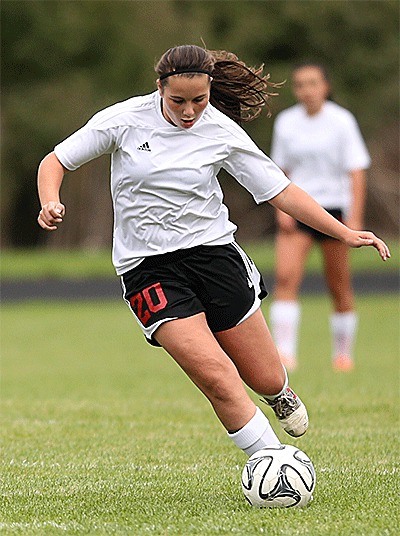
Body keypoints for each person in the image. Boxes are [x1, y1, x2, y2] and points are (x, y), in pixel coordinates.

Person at [37, 46, 390, 457]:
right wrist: (49, 200)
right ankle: (272, 461)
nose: (189, 112)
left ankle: (279, 394)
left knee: (266, 377)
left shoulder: (221, 130)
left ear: (210, 91)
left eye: (199, 101)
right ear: (159, 88)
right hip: (147, 269)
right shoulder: (124, 120)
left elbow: (280, 190)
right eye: (178, 101)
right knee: (217, 376)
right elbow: (56, 160)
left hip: (214, 256)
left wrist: (344, 232)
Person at [270, 62, 374, 373]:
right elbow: (279, 170)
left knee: (338, 283)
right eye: (300, 84)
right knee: (286, 278)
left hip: (334, 210)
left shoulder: (342, 121)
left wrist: (354, 219)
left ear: (325, 86)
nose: (307, 90)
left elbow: (356, 171)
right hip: (298, 208)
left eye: (313, 83)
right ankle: (284, 355)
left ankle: (343, 355)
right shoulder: (287, 123)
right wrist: (281, 210)